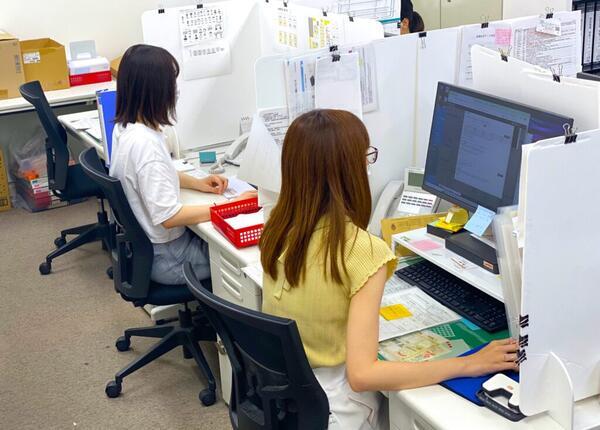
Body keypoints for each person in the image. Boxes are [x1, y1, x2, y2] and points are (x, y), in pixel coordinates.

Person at [260, 109, 518, 429]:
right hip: (337, 408)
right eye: (364, 157)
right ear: (349, 171)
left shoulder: (277, 227)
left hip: (290, 400)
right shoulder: (364, 251)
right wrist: (468, 364)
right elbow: (363, 375)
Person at [110, 44, 256, 285]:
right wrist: (234, 205)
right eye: (172, 83)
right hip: (170, 258)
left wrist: (197, 183)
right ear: (157, 90)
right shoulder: (146, 145)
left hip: (153, 249)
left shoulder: (126, 128)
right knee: (248, 258)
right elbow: (169, 216)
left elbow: (149, 174)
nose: (175, 90)